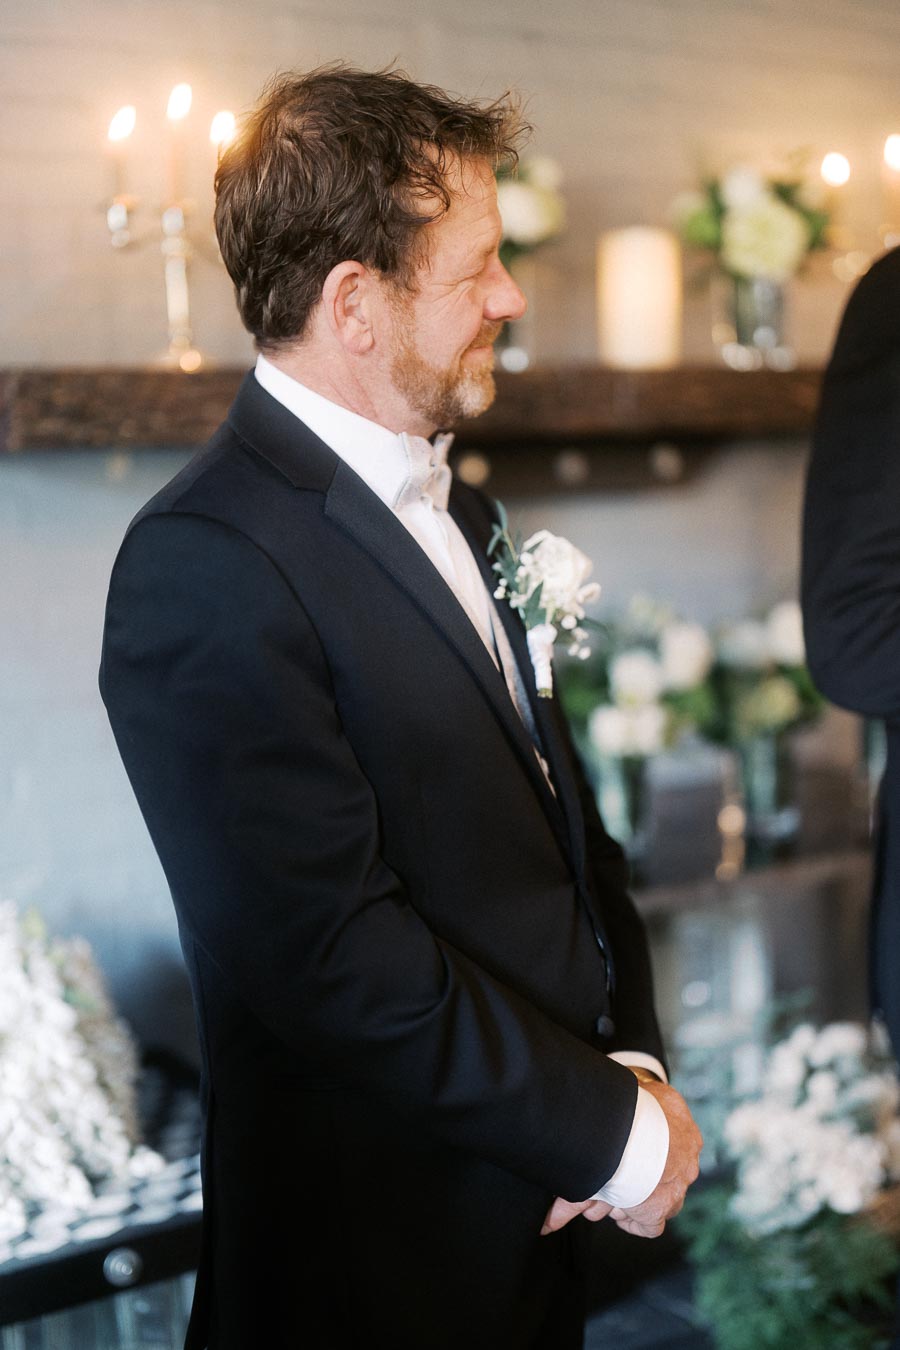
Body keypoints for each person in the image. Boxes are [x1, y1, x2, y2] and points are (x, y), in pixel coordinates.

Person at [100, 65, 701, 1350]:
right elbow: (329, 956)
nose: (511, 297)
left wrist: (629, 1060)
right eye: (476, 267)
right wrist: (617, 1134)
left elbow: (562, 844)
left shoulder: (467, 513)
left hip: (534, 1233)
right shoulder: (200, 564)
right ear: (356, 305)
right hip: (372, 1280)